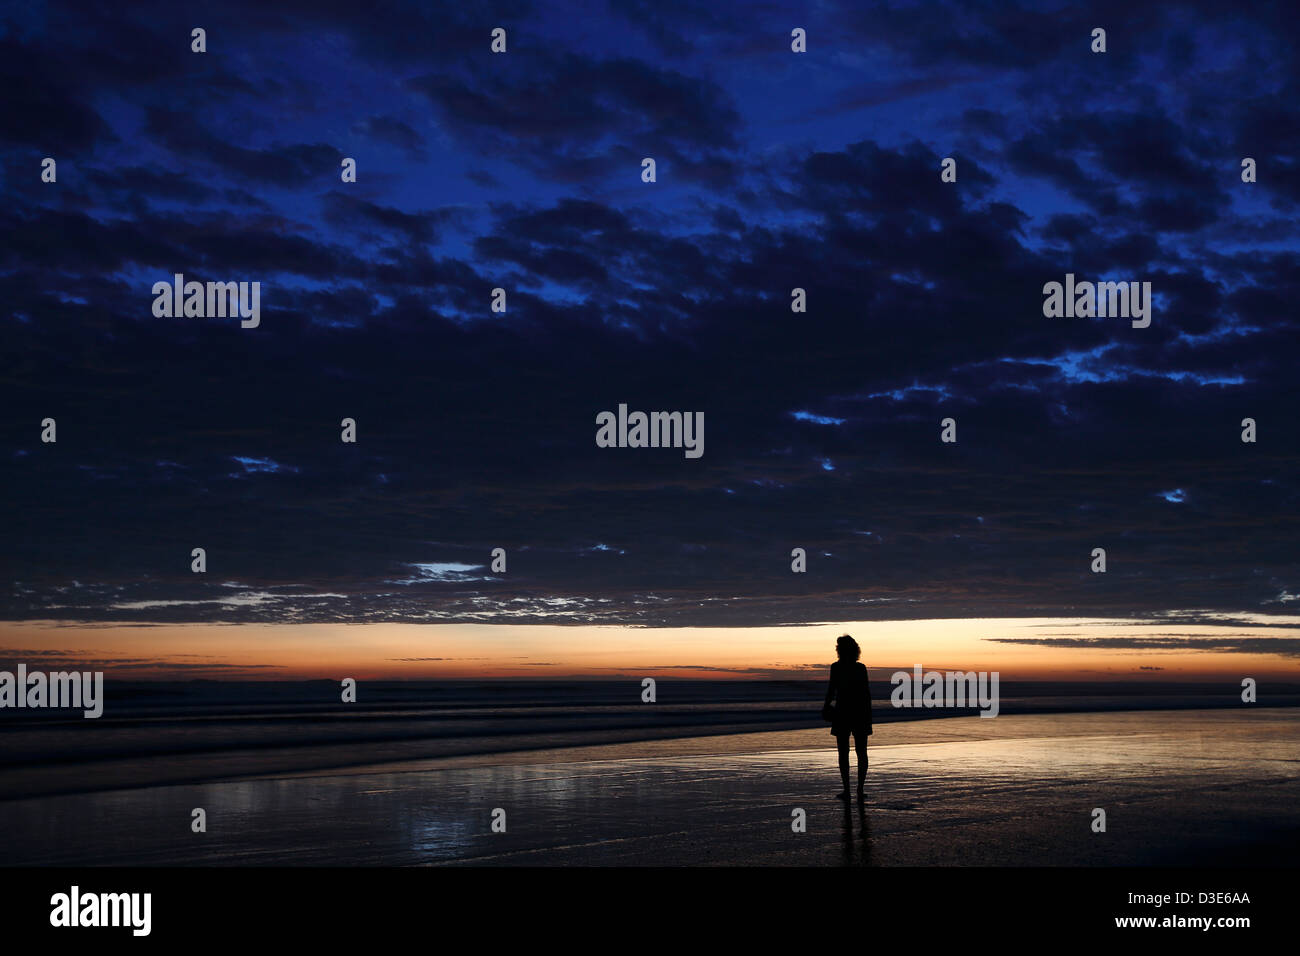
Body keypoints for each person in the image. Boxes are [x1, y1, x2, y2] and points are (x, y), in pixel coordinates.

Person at [823, 634, 872, 804]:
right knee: (861, 752)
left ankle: (847, 789)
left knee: (843, 753)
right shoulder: (860, 668)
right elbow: (866, 694)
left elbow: (831, 690)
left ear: (840, 650)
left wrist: (825, 706)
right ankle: (859, 789)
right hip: (859, 713)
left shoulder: (836, 667)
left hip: (842, 712)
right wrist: (868, 716)